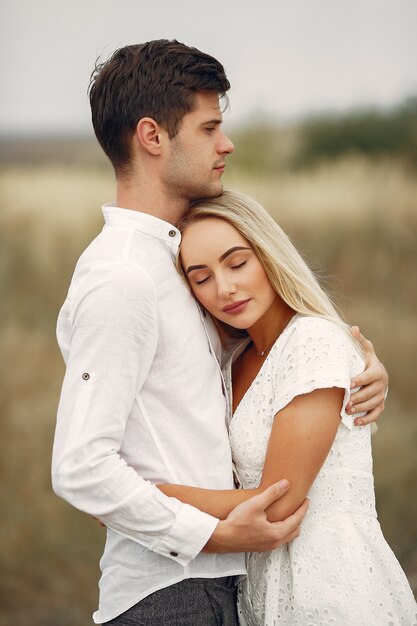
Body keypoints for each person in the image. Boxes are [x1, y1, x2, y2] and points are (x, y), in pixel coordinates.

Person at [52, 40, 388, 626]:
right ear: (153, 137)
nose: (226, 143)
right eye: (209, 128)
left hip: (224, 587)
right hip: (169, 593)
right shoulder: (125, 277)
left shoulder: (178, 257)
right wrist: (211, 532)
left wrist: (350, 367)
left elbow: (265, 362)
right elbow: (81, 467)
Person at [157, 190, 417, 625]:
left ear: (268, 254)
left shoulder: (312, 341)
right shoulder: (233, 359)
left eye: (237, 263)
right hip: (261, 589)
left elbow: (277, 504)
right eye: (201, 278)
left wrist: (147, 498)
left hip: (331, 588)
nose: (225, 288)